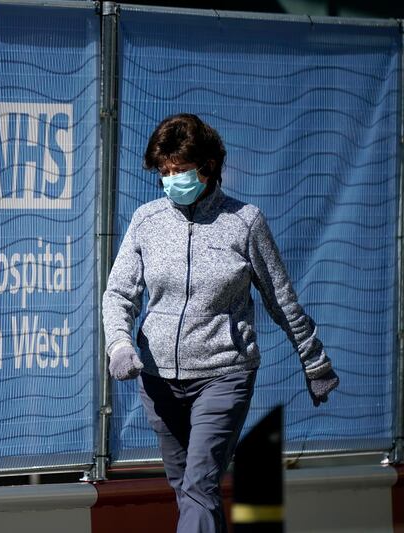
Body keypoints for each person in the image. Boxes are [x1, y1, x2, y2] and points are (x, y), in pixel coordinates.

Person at [101, 113, 340, 533]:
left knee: (198, 484)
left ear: (208, 167)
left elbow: (279, 298)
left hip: (224, 375)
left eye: (180, 170)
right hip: (158, 380)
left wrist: (314, 360)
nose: (172, 179)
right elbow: (119, 293)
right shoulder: (146, 221)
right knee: (189, 488)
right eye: (164, 172)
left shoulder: (244, 222)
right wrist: (120, 345)